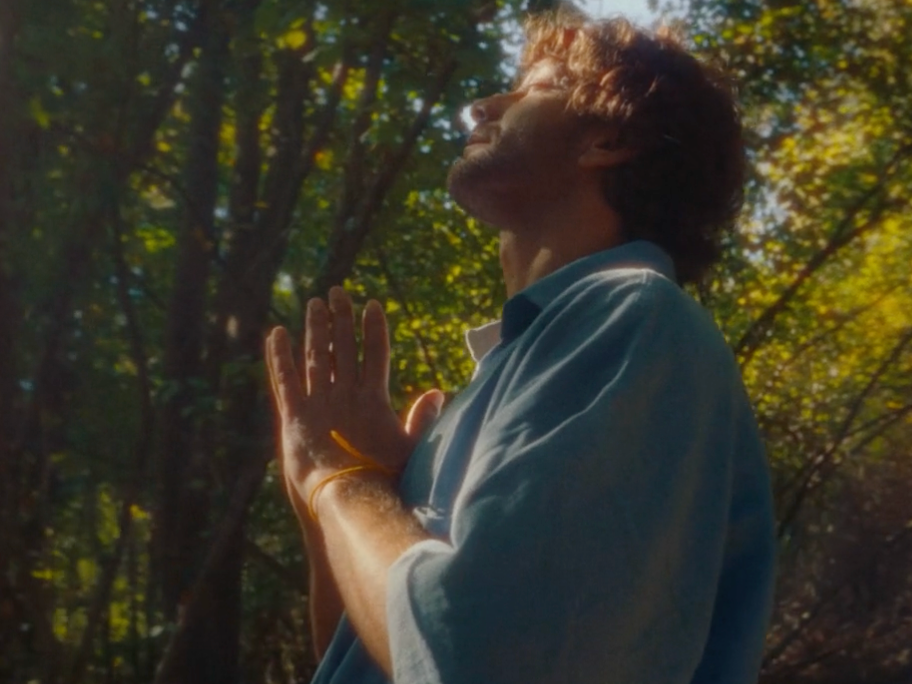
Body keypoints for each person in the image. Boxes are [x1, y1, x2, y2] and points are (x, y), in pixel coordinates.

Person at [265, 11, 776, 684]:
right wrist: (343, 499)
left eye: (536, 86)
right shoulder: (525, 364)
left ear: (608, 139)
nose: (482, 105)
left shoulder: (634, 320)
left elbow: (471, 662)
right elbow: (366, 656)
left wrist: (342, 481)